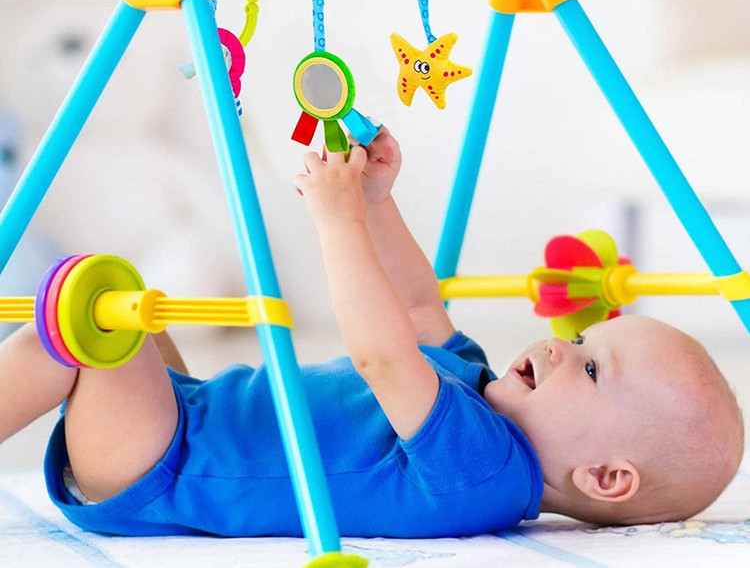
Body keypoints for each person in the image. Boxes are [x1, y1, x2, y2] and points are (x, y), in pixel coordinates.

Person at [0, 129, 744, 537]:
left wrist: (339, 217)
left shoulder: (483, 469)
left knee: (79, 328)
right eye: (581, 342)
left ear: (605, 478)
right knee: (125, 307)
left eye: (589, 370)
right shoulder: (476, 392)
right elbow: (415, 309)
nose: (559, 346)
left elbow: (383, 354)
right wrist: (378, 200)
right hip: (186, 416)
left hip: (165, 464)